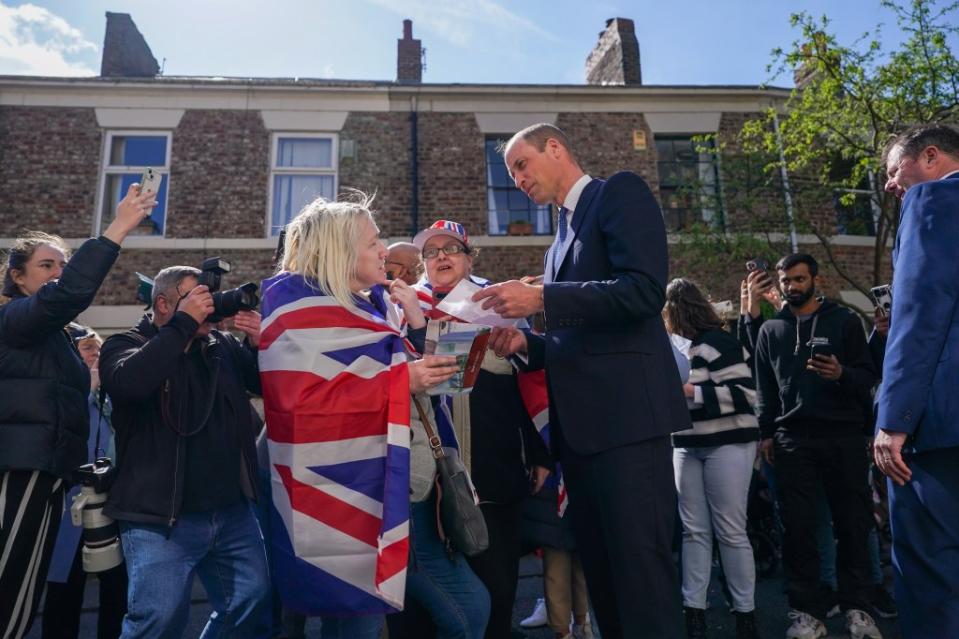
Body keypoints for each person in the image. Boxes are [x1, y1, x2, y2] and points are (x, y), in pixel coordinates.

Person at [474, 123, 691, 639]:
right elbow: (580, 345)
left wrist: (543, 299)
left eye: (522, 165)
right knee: (606, 582)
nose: (518, 180)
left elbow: (642, 291)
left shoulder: (618, 193)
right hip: (581, 440)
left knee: (642, 580)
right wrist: (529, 344)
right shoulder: (557, 243)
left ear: (556, 148)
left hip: (628, 427)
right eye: (510, 174)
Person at [258, 194, 489, 639]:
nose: (384, 250)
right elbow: (303, 406)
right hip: (351, 500)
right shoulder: (294, 308)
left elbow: (420, 383)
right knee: (363, 624)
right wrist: (404, 380)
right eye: (373, 242)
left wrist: (419, 332)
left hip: (401, 486)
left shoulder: (370, 308)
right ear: (340, 250)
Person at [0, 185, 155, 639]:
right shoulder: (13, 318)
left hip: (51, 470)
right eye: (46, 265)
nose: (58, 273)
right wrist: (118, 227)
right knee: (8, 591)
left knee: (24, 599)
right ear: (18, 277)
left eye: (61, 265)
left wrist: (87, 380)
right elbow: (67, 295)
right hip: (21, 468)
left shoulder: (53, 336)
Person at [98, 266, 270, 638]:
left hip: (230, 512)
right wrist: (182, 327)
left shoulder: (219, 347)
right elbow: (129, 383)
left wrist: (258, 347)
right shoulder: (123, 344)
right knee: (158, 620)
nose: (208, 309)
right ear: (163, 304)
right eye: (196, 300)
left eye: (209, 301)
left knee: (251, 599)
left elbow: (261, 384)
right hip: (160, 518)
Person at [408, 219, 553, 639]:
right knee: (429, 598)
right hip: (427, 481)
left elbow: (528, 382)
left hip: (493, 467)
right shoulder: (401, 308)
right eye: (431, 252)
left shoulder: (496, 302)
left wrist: (538, 450)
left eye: (450, 248)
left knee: (497, 585)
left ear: (469, 256)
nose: (440, 257)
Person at [753, 253, 882, 639]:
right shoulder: (771, 330)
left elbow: (867, 378)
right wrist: (766, 434)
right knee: (799, 529)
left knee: (853, 524)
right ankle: (807, 614)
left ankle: (859, 609)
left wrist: (841, 373)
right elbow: (765, 389)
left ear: (815, 280)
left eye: (799, 279)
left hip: (842, 436)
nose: (792, 286)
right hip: (792, 440)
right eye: (786, 281)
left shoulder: (843, 321)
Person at [874, 123, 959, 639]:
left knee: (931, 581)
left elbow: (920, 314)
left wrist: (894, 419)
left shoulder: (931, 202)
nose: (889, 185)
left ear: (930, 157)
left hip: (940, 428)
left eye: (893, 170)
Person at [663, 279, 760, 639]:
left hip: (728, 442)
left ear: (676, 311)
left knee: (730, 531)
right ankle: (695, 613)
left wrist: (689, 390)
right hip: (686, 443)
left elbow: (745, 394)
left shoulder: (720, 341)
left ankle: (745, 614)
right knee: (693, 532)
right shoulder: (675, 349)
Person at [42, 326, 128, 639]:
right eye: (88, 349)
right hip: (72, 507)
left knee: (117, 589)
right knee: (65, 589)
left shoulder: (115, 396)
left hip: (113, 504)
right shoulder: (65, 393)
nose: (97, 355)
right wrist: (85, 390)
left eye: (99, 349)